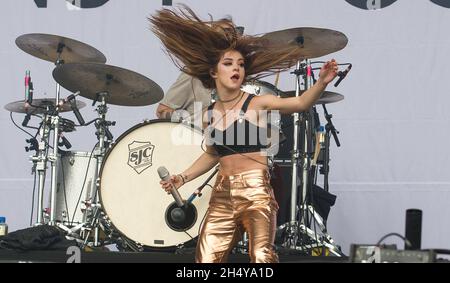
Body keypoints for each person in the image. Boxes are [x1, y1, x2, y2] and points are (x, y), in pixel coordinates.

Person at [151, 5, 339, 263]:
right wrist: (182, 178)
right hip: (221, 196)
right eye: (228, 64)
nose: (235, 69)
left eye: (240, 64)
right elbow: (212, 154)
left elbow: (300, 104)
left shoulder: (257, 103)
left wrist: (321, 82)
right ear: (214, 72)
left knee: (262, 257)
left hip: (256, 192)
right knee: (204, 260)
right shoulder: (208, 113)